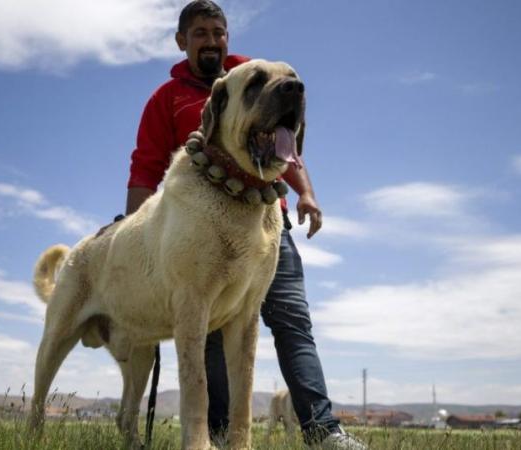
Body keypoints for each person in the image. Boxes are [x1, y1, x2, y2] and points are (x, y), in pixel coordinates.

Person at [125, 1, 366, 449]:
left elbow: (286, 148)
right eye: (200, 33)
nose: (212, 40)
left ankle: (324, 431)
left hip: (266, 221)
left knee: (292, 320)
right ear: (182, 42)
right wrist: (137, 233)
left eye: (218, 31)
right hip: (201, 232)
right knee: (211, 334)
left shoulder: (257, 78)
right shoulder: (166, 99)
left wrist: (307, 194)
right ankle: (215, 434)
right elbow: (146, 168)